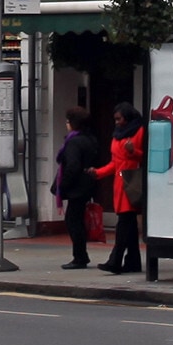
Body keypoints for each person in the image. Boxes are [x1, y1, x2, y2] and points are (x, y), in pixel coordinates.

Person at [94, 102, 145, 275]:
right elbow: (115, 162)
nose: (116, 122)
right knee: (128, 226)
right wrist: (98, 173)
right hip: (120, 182)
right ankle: (133, 261)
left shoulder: (140, 131)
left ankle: (115, 260)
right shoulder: (117, 135)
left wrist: (133, 152)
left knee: (124, 225)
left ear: (128, 117)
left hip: (132, 181)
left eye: (119, 119)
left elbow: (146, 156)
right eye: (115, 119)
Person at [51, 106, 101, 269]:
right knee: (76, 220)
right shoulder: (90, 139)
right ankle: (80, 255)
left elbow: (72, 166)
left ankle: (80, 257)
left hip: (77, 188)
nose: (66, 124)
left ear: (73, 123)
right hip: (88, 185)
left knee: (73, 221)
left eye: (67, 121)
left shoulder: (73, 142)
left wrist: (62, 186)